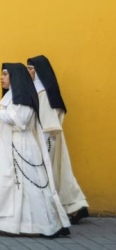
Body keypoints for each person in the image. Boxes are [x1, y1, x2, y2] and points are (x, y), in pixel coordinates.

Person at [0, 63, 70, 238]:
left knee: (31, 187)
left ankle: (50, 225)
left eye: (5, 74)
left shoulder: (23, 96)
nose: (1, 78)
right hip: (8, 146)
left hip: (21, 147)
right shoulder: (11, 96)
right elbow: (10, 117)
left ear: (15, 77)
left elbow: (21, 121)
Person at [27, 55, 89, 224]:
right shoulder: (40, 90)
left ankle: (56, 209)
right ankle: (76, 206)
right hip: (50, 138)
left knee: (51, 173)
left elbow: (47, 121)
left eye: (31, 69)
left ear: (39, 72)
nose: (28, 72)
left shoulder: (44, 93)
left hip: (47, 139)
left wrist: (40, 145)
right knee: (61, 172)